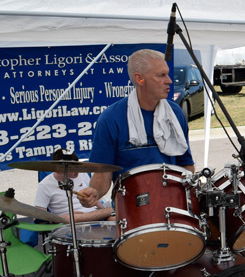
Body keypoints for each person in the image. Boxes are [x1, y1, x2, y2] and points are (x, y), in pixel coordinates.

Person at [79, 48, 194, 208]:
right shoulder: (111, 118)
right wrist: (94, 192)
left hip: (173, 205)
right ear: (139, 79)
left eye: (168, 74)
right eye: (161, 75)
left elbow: (185, 164)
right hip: (132, 209)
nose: (169, 80)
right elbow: (103, 172)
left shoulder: (175, 113)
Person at [34, 149, 114, 221]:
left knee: (114, 219)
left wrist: (102, 208)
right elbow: (39, 215)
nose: (75, 172)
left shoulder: (83, 174)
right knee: (70, 218)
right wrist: (58, 219)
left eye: (76, 167)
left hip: (93, 213)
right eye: (71, 169)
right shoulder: (45, 185)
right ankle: (111, 210)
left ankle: (110, 211)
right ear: (58, 169)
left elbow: (94, 200)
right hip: (69, 220)